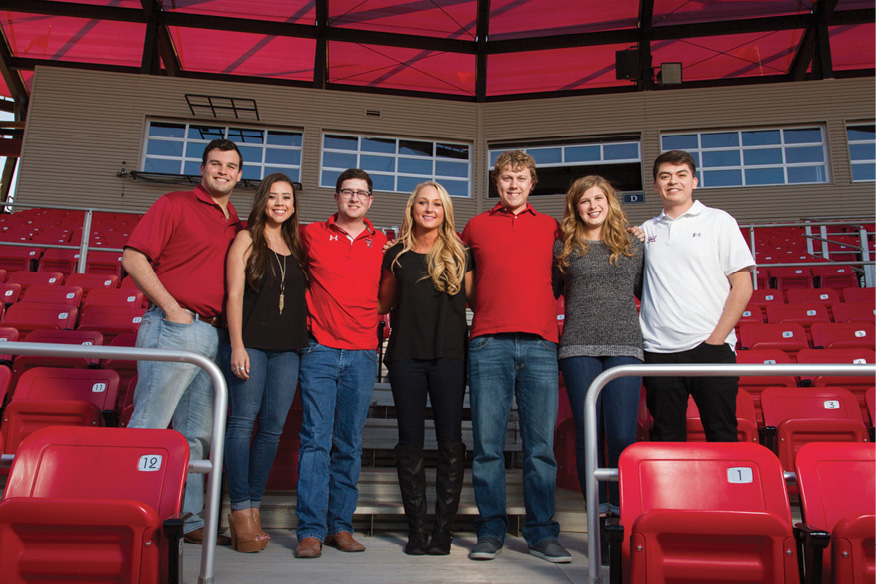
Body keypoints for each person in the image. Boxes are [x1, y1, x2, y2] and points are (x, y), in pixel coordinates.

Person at [121, 138, 243, 544]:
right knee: (150, 425)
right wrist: (173, 310)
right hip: (175, 327)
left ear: (239, 175)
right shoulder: (173, 204)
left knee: (197, 436)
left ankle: (189, 520)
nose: (222, 171)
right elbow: (133, 257)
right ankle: (126, 515)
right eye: (215, 164)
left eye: (230, 166)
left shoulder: (236, 222)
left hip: (213, 335)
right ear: (203, 168)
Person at [462, 150, 571, 563]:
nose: (513, 184)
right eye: (506, 177)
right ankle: (491, 531)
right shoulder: (475, 226)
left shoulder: (551, 227)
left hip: (541, 344)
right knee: (488, 446)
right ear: (496, 182)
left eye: (521, 178)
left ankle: (542, 533)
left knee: (540, 447)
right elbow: (464, 279)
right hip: (488, 343)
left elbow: (559, 279)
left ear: (532, 183)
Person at [294, 169, 388, 559]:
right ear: (336, 198)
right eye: (347, 192)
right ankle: (310, 530)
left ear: (370, 200)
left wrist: (363, 319)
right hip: (320, 350)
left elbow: (387, 297)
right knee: (316, 439)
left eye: (361, 193)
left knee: (348, 443)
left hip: (363, 352)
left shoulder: (382, 242)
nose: (353, 198)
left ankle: (340, 526)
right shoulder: (310, 234)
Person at [377, 181, 473, 556]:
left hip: (450, 356)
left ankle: (443, 534)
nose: (429, 209)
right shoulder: (396, 254)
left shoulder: (462, 253)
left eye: (437, 203)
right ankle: (417, 532)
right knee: (409, 443)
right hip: (405, 358)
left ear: (445, 210)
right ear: (412, 207)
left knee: (451, 442)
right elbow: (382, 305)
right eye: (423, 203)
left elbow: (480, 300)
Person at [640, 149, 755, 442]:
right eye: (664, 177)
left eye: (681, 175)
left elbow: (743, 285)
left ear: (694, 181)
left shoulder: (719, 221)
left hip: (710, 348)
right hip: (659, 352)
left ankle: (727, 490)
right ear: (655, 185)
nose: (672, 182)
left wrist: (715, 340)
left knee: (722, 433)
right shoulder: (645, 231)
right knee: (667, 437)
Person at [221, 173, 308, 553]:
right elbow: (234, 296)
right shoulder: (245, 239)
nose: (280, 203)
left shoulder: (297, 244)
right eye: (273, 197)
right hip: (251, 345)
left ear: (293, 205)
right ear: (263, 201)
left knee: (272, 428)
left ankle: (253, 505)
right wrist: (237, 345)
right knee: (242, 424)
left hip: (288, 349)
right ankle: (239, 509)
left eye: (286, 197)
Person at [553, 175, 643, 518]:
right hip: (578, 348)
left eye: (598, 199)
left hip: (625, 346)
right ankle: (597, 511)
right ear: (576, 207)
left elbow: (650, 293)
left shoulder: (633, 246)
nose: (593, 206)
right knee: (588, 431)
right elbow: (547, 291)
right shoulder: (563, 248)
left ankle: (622, 509)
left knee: (621, 433)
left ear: (610, 202)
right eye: (585, 200)